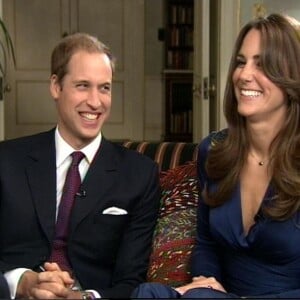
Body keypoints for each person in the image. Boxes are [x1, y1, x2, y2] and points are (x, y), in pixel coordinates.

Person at [132, 13, 300, 299]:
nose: (244, 75)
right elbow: (207, 240)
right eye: (240, 62)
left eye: (262, 64)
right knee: (147, 294)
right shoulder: (215, 151)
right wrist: (204, 279)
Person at [0, 33, 161, 299]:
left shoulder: (139, 174)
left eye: (105, 88)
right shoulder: (7, 161)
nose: (96, 102)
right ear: (56, 86)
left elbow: (132, 281)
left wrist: (84, 297)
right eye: (83, 86)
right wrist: (21, 282)